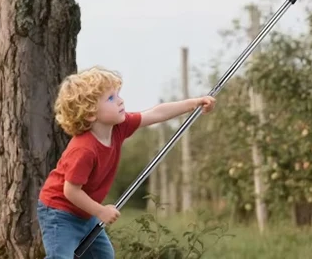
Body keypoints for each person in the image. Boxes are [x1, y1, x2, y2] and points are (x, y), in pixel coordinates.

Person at [37, 66, 216, 259]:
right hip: (60, 212)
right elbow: (70, 191)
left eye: (117, 94)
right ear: (90, 113)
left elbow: (155, 113)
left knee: (103, 256)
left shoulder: (119, 128)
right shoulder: (84, 149)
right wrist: (101, 211)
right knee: (60, 256)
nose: (121, 100)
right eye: (111, 98)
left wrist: (194, 103)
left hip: (85, 212)